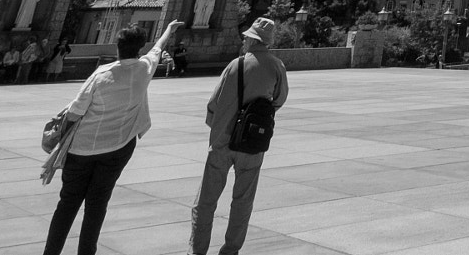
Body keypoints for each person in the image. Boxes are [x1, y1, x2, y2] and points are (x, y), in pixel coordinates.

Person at [42, 19, 182, 255]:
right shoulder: (144, 69)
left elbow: (75, 112)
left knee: (67, 203)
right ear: (139, 49)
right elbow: (157, 48)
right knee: (97, 204)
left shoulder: (101, 74)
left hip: (83, 149)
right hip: (118, 148)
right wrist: (169, 29)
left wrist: (62, 139)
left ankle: (51, 252)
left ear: (117, 47)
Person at [188, 17, 288, 255]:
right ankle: (230, 250)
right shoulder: (277, 66)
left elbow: (213, 102)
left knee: (205, 202)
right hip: (253, 143)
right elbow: (279, 99)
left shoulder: (236, 65)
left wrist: (216, 129)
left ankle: (197, 250)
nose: (244, 40)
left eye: (246, 37)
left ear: (253, 40)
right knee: (242, 202)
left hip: (223, 141)